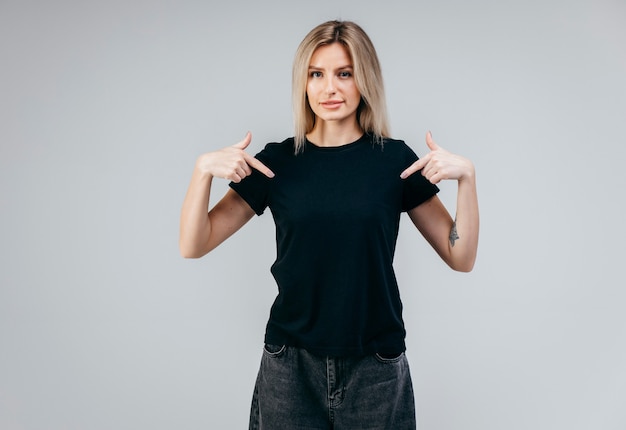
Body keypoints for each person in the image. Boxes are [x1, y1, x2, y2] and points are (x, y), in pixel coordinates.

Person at [179, 20, 478, 430]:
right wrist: (201, 173)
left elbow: (460, 256)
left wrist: (467, 180)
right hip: (290, 366)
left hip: (375, 364)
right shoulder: (277, 163)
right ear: (303, 82)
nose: (329, 88)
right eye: (316, 74)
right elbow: (194, 244)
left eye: (344, 73)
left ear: (364, 80)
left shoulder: (394, 161)